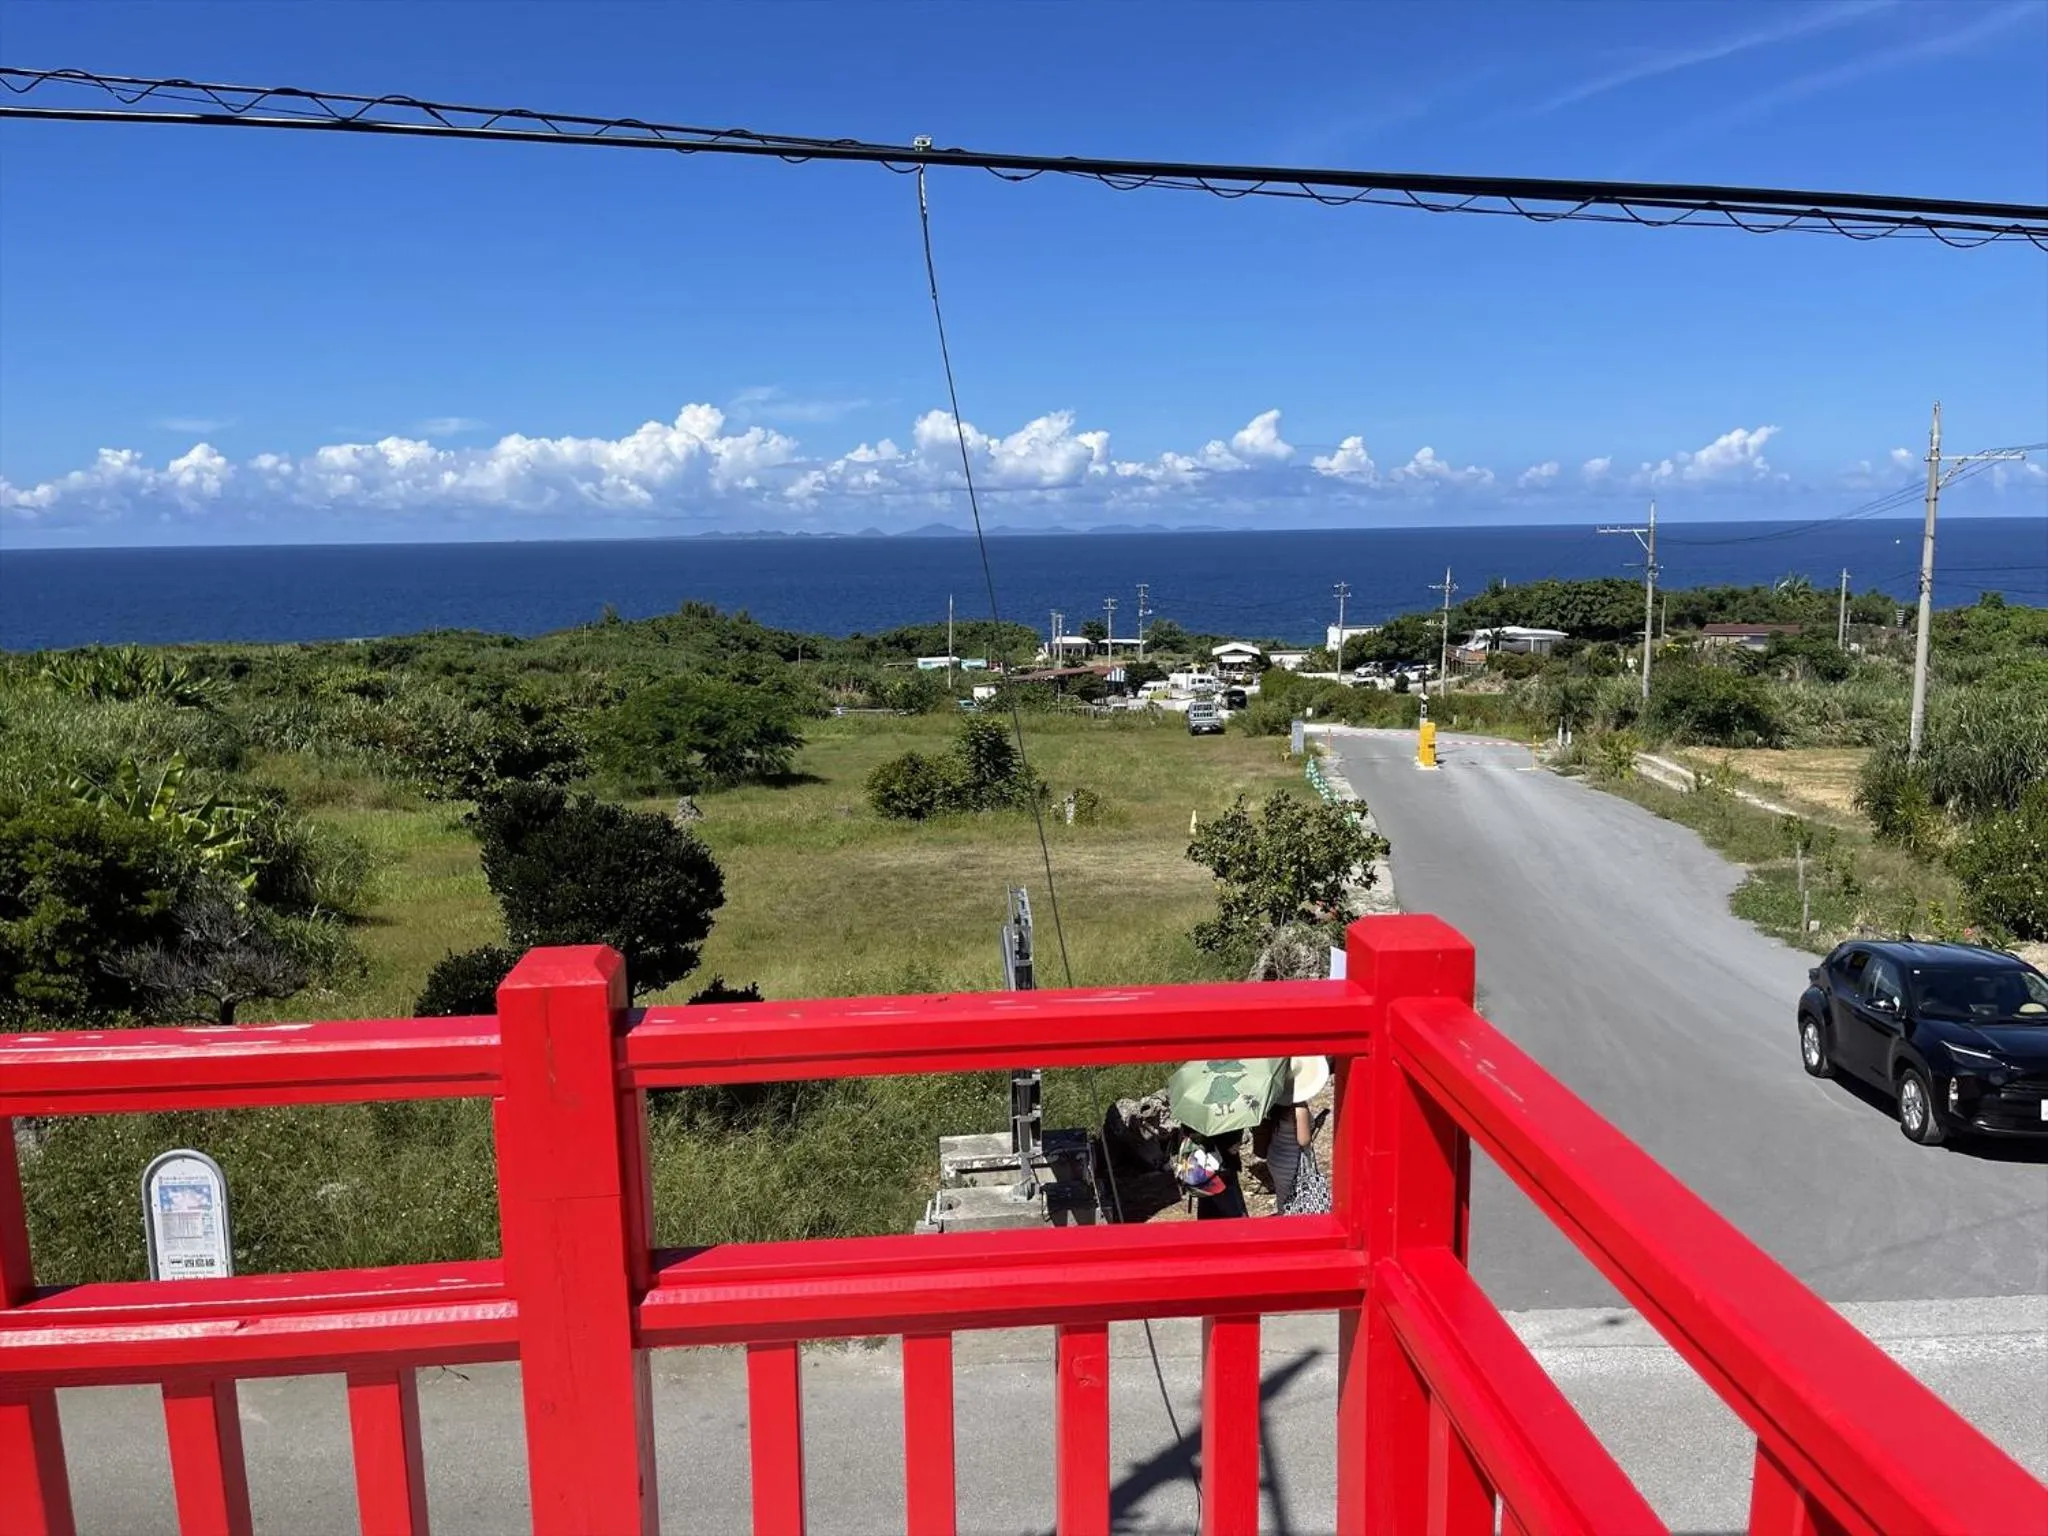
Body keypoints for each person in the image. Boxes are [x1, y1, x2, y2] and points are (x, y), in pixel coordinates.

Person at [1258, 1056, 1329, 1213]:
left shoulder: (1276, 1103)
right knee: (1296, 1199)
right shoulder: (1299, 1108)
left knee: (1283, 1198)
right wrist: (1314, 1126)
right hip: (1292, 1162)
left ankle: (1283, 1221)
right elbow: (1303, 1141)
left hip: (1275, 1156)